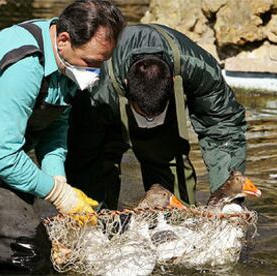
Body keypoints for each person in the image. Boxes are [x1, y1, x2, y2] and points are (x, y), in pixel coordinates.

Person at [0, 0, 125, 272]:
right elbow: (1, 155)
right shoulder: (24, 64)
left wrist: (57, 176)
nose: (95, 72)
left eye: (101, 63)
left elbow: (56, 122)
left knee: (38, 244)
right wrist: (59, 194)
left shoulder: (67, 60)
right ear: (64, 39)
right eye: (91, 62)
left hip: (2, 150)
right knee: (29, 252)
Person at [65, 24, 247, 209]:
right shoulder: (97, 85)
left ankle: (175, 224)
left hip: (165, 112)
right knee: (97, 167)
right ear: (127, 84)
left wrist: (228, 196)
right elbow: (82, 152)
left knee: (165, 160)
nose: (148, 122)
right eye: (145, 115)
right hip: (105, 107)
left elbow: (223, 127)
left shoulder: (198, 67)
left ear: (172, 82)